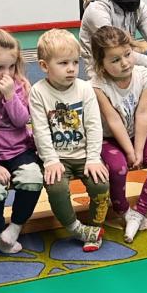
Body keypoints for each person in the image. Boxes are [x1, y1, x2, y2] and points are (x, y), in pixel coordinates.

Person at [0, 29, 53, 253]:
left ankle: (15, 227)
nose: (7, 73)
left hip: (19, 149)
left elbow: (21, 121)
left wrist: (10, 96)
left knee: (33, 179)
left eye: (12, 66)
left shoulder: (19, 85)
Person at [89, 25, 147, 243]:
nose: (125, 63)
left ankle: (140, 211)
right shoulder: (97, 85)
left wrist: (138, 150)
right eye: (115, 60)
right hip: (109, 138)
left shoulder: (145, 76)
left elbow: (143, 113)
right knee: (118, 168)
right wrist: (129, 152)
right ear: (101, 63)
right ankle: (123, 210)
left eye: (127, 54)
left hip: (138, 134)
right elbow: (113, 119)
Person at [27, 29, 109, 251]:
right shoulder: (38, 91)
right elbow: (40, 130)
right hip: (57, 158)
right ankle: (76, 228)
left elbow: (94, 125)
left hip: (85, 155)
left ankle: (95, 228)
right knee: (56, 188)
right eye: (63, 63)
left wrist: (94, 158)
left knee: (101, 184)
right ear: (44, 66)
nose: (72, 68)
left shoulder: (85, 88)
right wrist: (51, 160)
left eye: (75, 62)